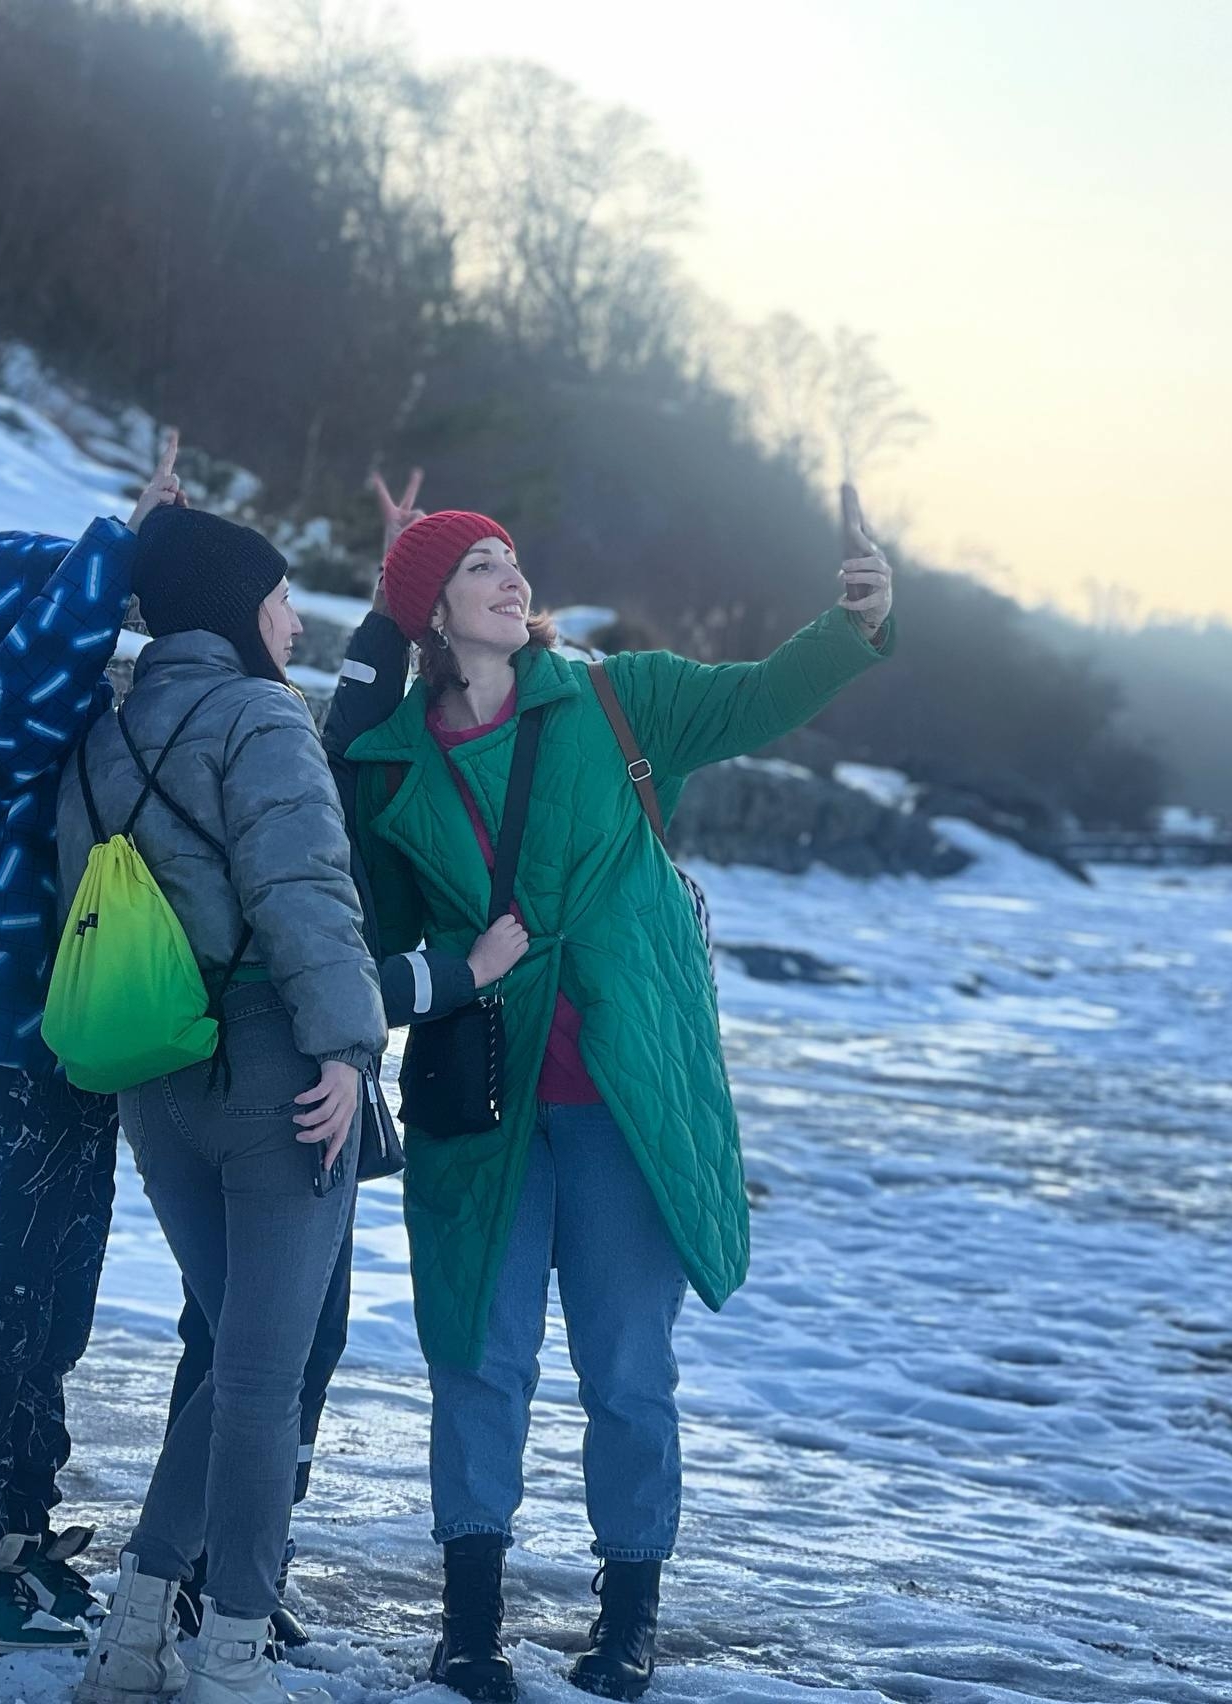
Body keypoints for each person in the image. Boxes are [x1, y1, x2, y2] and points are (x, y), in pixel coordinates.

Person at [346, 508, 898, 1701]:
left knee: (628, 1371)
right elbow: (366, 937)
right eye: (477, 568)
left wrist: (851, 626)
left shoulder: (615, 697)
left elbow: (757, 697)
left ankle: (628, 1615)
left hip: (624, 1097)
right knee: (476, 1360)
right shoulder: (388, 762)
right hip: (478, 1100)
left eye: (511, 562)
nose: (510, 579)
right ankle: (469, 1628)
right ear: (431, 612)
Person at [158, 472, 525, 1651]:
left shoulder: (279, 738)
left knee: (275, 1342)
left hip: (244, 1066)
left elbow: (361, 703)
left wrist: (391, 586)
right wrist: (461, 974)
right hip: (296, 1068)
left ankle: (229, 1572)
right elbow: (333, 948)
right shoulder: (304, 752)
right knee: (259, 1345)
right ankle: (210, 1584)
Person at [66, 506, 386, 1704]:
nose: (294, 622)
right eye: (281, 596)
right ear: (235, 604)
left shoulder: (100, 729)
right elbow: (304, 886)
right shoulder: (261, 714)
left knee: (233, 1362)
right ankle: (235, 1648)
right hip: (272, 1069)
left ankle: (136, 1633)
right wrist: (346, 1046)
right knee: (261, 1377)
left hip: (153, 1079)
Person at [0, 435, 187, 1654]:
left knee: (56, 1311)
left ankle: (20, 1538)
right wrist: (116, 545)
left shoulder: (56, 725)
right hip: (10, 1062)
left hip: (75, 1060)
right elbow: (45, 665)